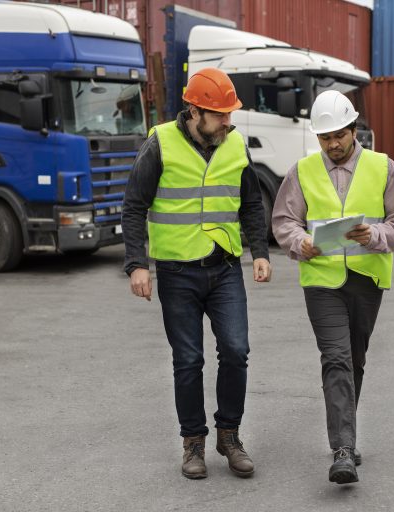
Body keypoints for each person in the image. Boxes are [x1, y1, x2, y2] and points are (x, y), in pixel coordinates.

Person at [121, 68, 272, 480]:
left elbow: (251, 203)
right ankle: (193, 443)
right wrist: (137, 264)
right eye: (220, 115)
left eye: (229, 114)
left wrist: (260, 251)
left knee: (237, 351)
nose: (228, 122)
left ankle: (229, 435)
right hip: (177, 272)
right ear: (195, 111)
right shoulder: (161, 143)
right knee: (188, 360)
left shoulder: (236, 143)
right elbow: (133, 205)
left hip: (224, 268)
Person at [271, 90, 394, 485]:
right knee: (335, 358)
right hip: (321, 281)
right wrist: (300, 242)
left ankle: (346, 440)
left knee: (354, 360)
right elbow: (285, 220)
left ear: (354, 130)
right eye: (324, 137)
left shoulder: (384, 168)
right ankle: (342, 450)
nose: (333, 144)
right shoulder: (300, 172)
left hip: (367, 279)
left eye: (339, 134)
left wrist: (375, 235)